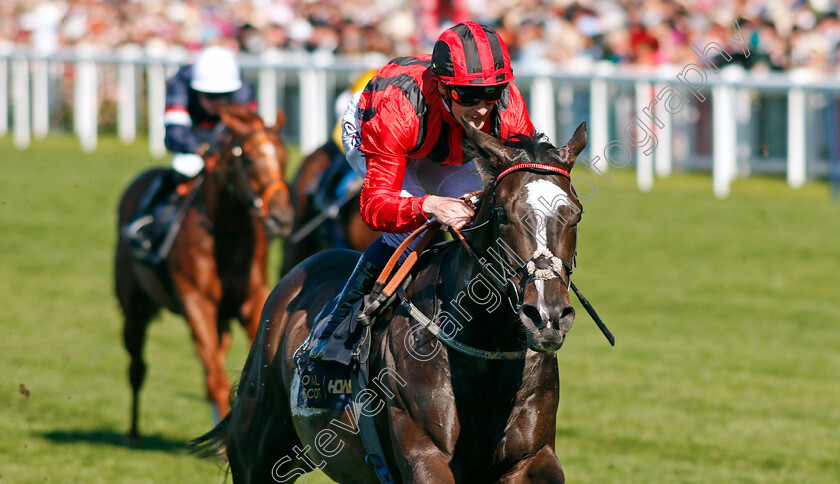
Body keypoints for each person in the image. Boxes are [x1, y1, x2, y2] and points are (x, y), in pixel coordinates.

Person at [309, 21, 535, 360]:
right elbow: (374, 207)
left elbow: (523, 185)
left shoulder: (508, 106)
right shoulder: (396, 108)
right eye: (469, 96)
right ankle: (338, 331)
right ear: (444, 89)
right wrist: (428, 205)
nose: (483, 107)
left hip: (448, 143)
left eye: (492, 93)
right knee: (410, 233)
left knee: (478, 219)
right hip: (379, 127)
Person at [124, 46, 256, 260]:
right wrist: (199, 148)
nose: (218, 103)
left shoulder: (242, 90)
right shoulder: (179, 85)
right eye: (211, 96)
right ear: (196, 90)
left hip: (225, 142)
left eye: (224, 96)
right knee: (185, 167)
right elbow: (174, 134)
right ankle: (146, 222)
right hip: (192, 138)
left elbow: (249, 133)